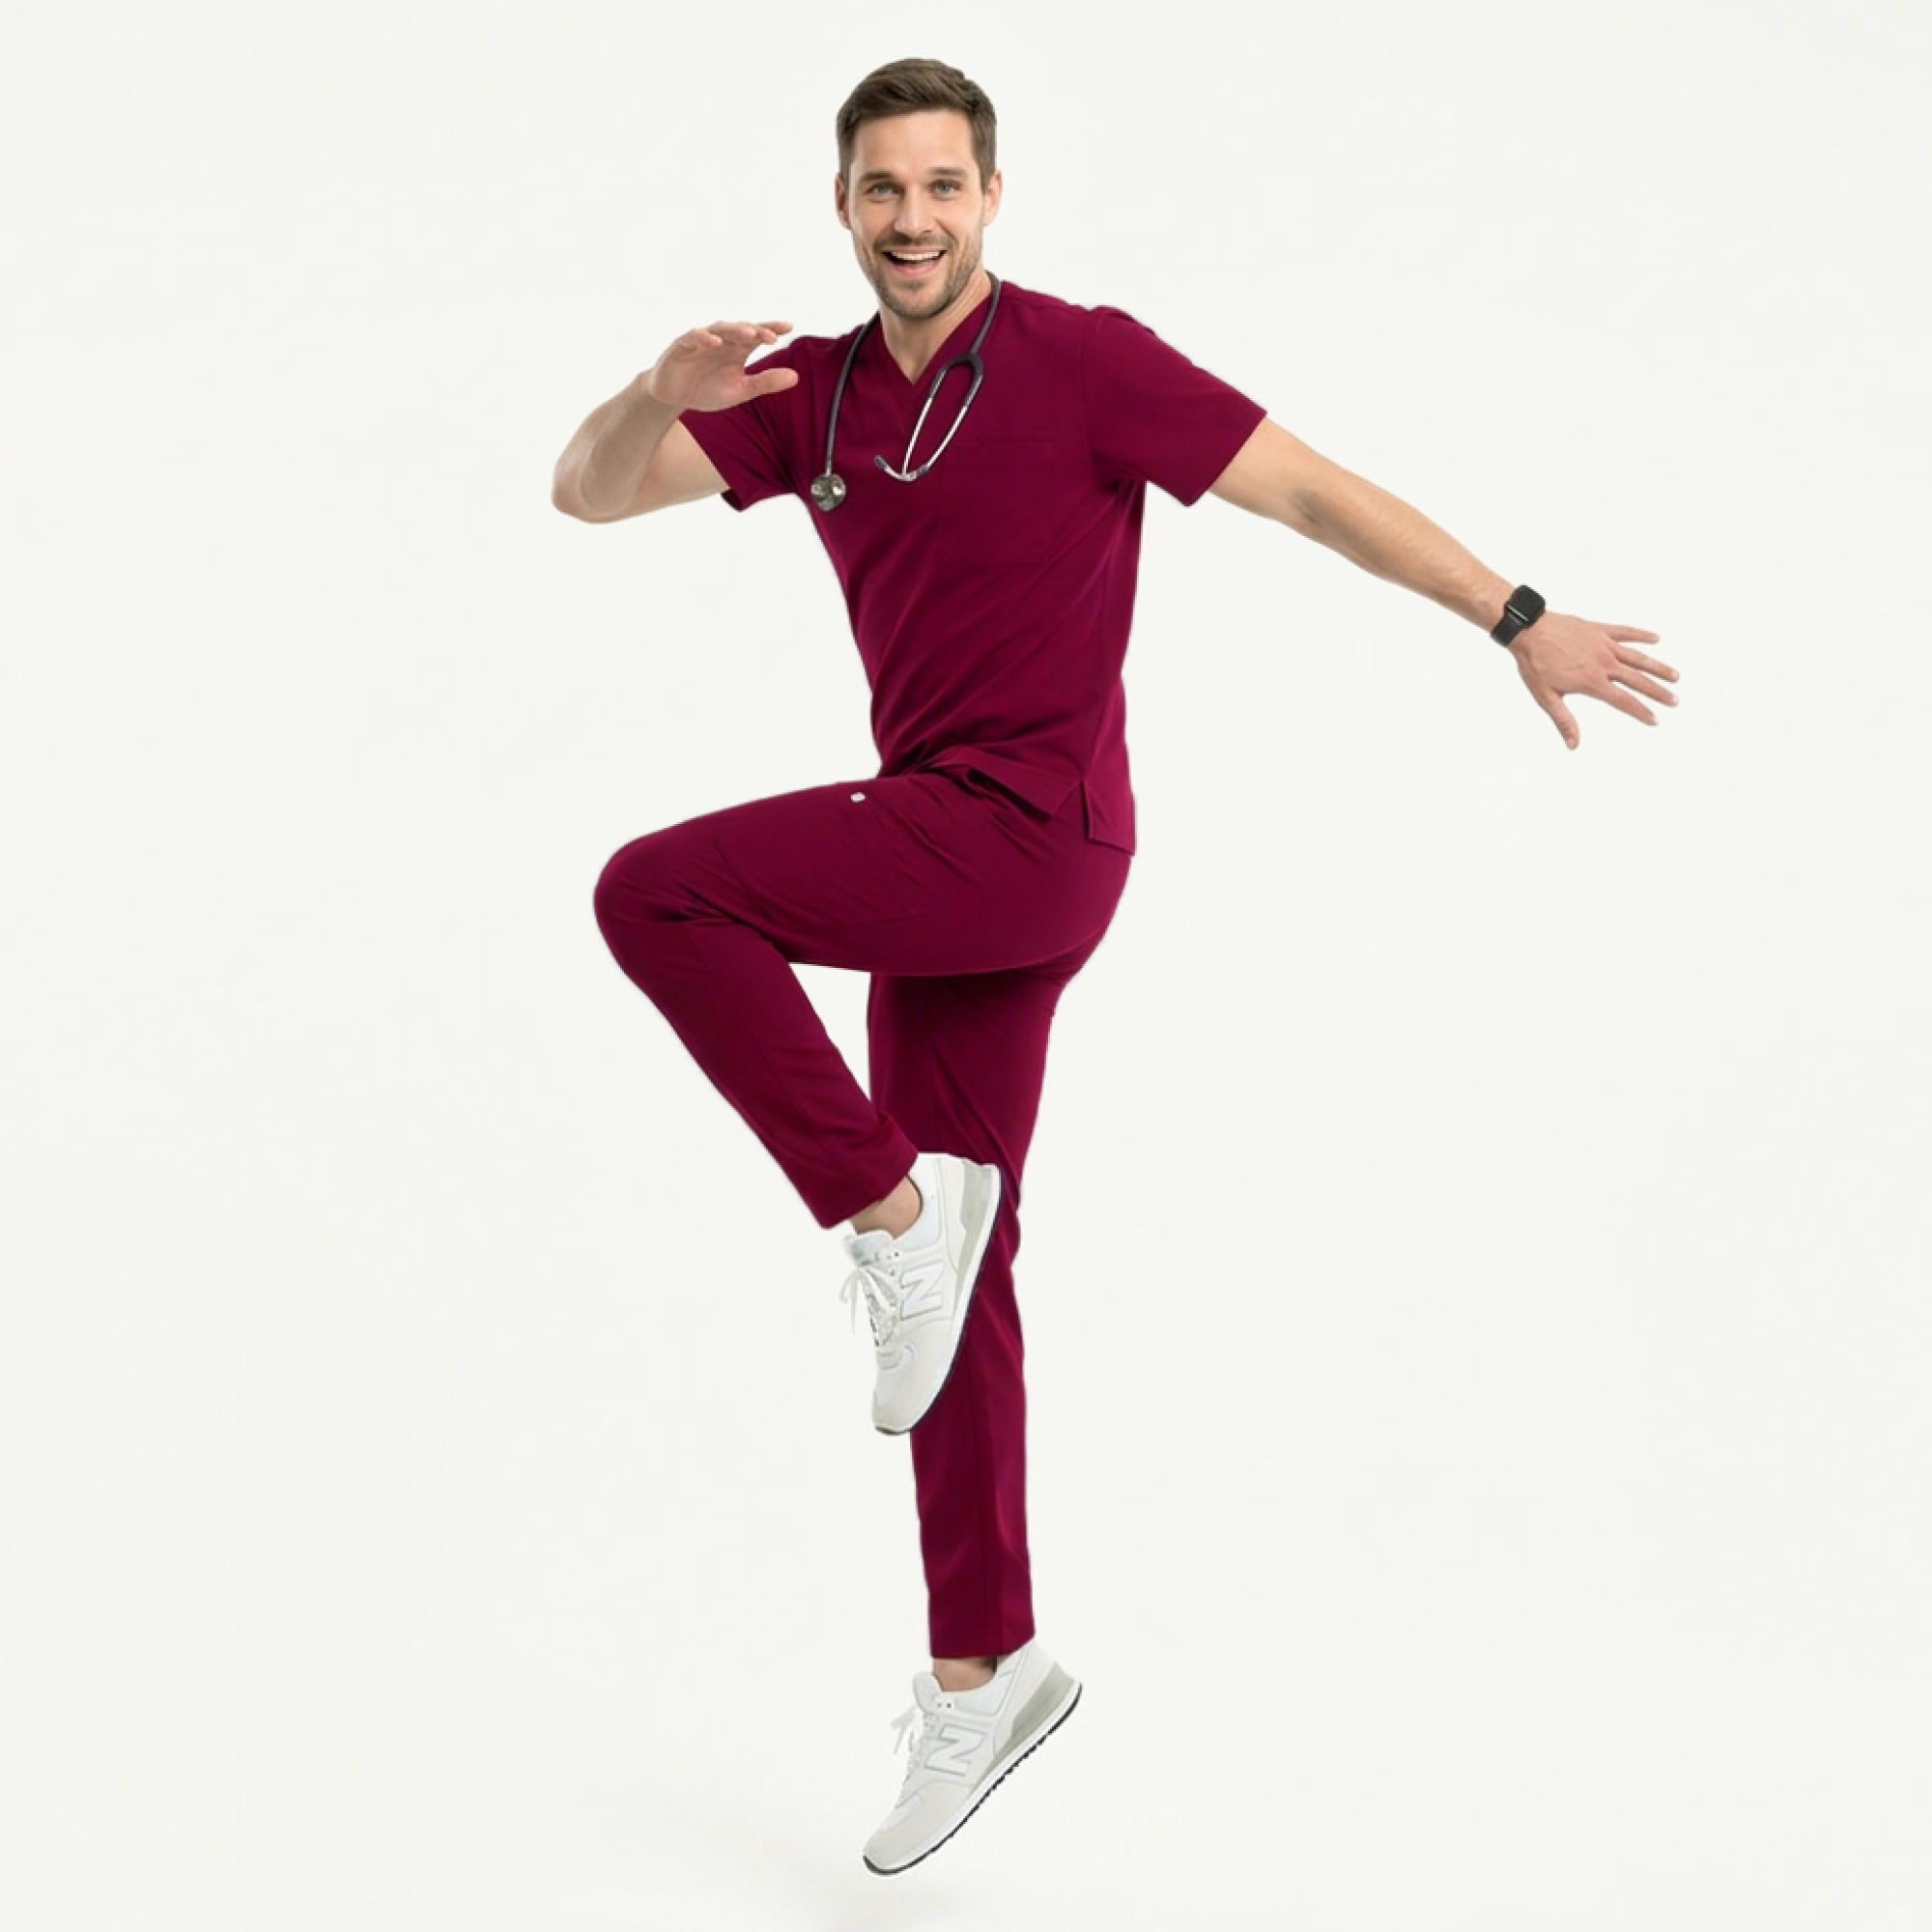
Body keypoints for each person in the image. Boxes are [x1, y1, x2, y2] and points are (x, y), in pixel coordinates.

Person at [551, 56, 1680, 1876]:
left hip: (1030, 837)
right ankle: (982, 1664)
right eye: (877, 192)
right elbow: (587, 497)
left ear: (992, 193)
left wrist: (1521, 622)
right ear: (841, 206)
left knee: (655, 895)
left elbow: (1311, 493)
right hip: (946, 849)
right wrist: (647, 392)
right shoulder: (810, 396)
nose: (909, 219)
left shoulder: (1086, 362)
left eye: (940, 186)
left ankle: (885, 1219)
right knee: (970, 1276)